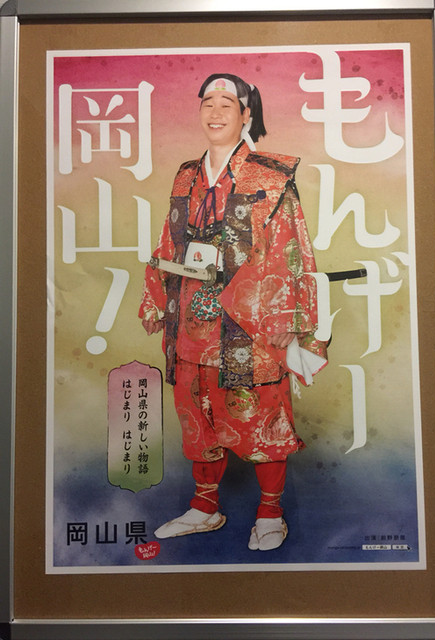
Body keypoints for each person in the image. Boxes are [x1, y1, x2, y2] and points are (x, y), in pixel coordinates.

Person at [139, 73, 328, 551]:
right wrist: (156, 297)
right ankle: (205, 508)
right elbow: (168, 239)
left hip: (249, 322)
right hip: (192, 321)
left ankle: (270, 513)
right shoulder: (186, 174)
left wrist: (288, 315)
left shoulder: (270, 175)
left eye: (228, 103)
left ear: (247, 115)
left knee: (260, 416)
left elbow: (291, 245)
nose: (216, 111)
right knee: (195, 415)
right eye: (208, 102)